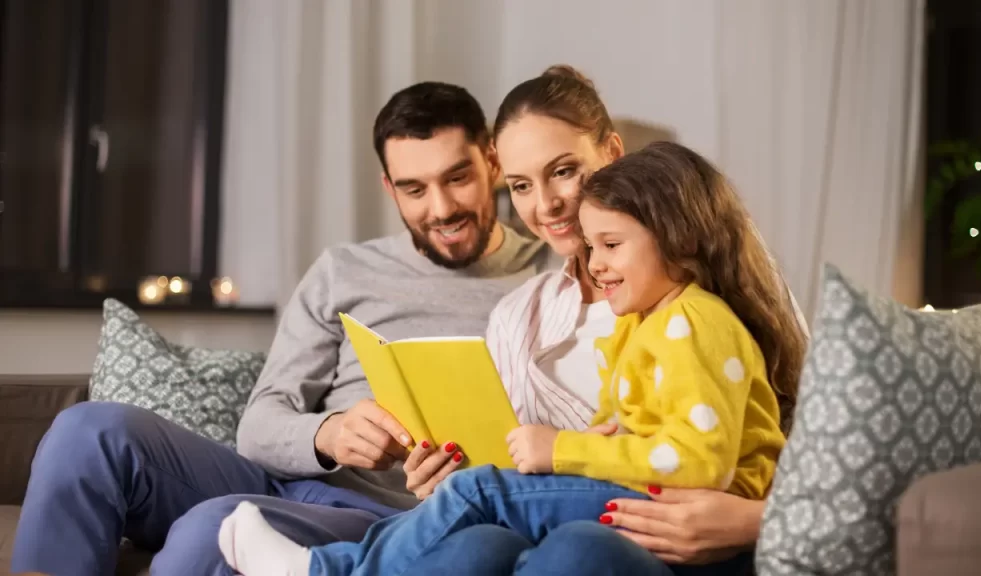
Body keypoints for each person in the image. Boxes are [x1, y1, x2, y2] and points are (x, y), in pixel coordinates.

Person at [10, 81, 552, 576]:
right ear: (389, 188)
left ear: (492, 162)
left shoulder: (553, 274)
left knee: (216, 531)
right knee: (88, 431)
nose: (442, 208)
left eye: (457, 178)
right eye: (414, 189)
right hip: (292, 480)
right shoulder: (343, 270)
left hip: (394, 517)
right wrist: (329, 434)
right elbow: (260, 423)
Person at [218, 139, 806, 576]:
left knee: (480, 493)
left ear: (681, 240)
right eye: (590, 246)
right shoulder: (643, 322)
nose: (595, 263)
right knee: (478, 518)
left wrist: (564, 449)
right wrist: (592, 444)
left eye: (610, 245)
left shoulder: (696, 322)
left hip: (694, 515)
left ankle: (326, 570)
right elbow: (639, 432)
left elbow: (700, 465)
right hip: (650, 498)